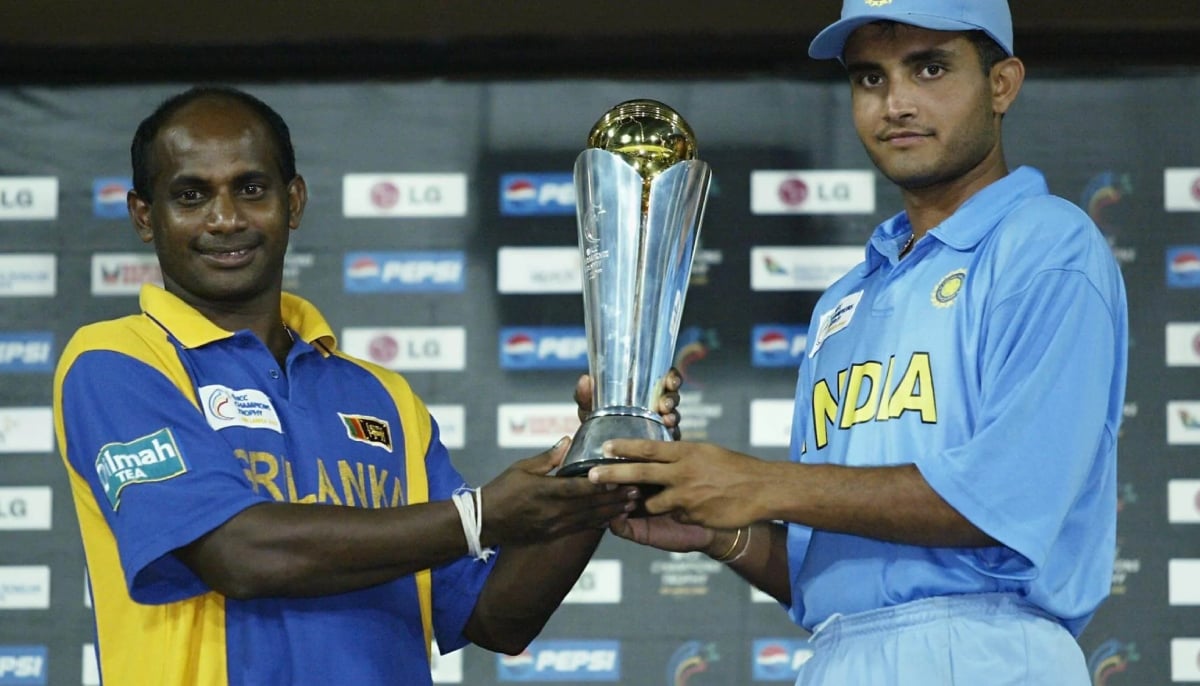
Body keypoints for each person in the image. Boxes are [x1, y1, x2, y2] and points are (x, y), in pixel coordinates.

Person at [52, 85, 680, 686]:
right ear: (143, 215)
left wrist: (605, 459)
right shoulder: (117, 361)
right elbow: (239, 554)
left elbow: (494, 616)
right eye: (191, 196)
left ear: (293, 201)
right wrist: (479, 517)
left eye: (250, 188)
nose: (224, 218)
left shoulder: (384, 399)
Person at [588, 1, 1128, 684]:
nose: (896, 103)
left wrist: (754, 482)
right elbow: (832, 572)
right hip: (840, 653)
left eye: (929, 68)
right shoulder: (847, 298)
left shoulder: (1047, 243)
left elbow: (1003, 502)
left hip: (988, 655)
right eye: (870, 79)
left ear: (1002, 84)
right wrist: (721, 531)